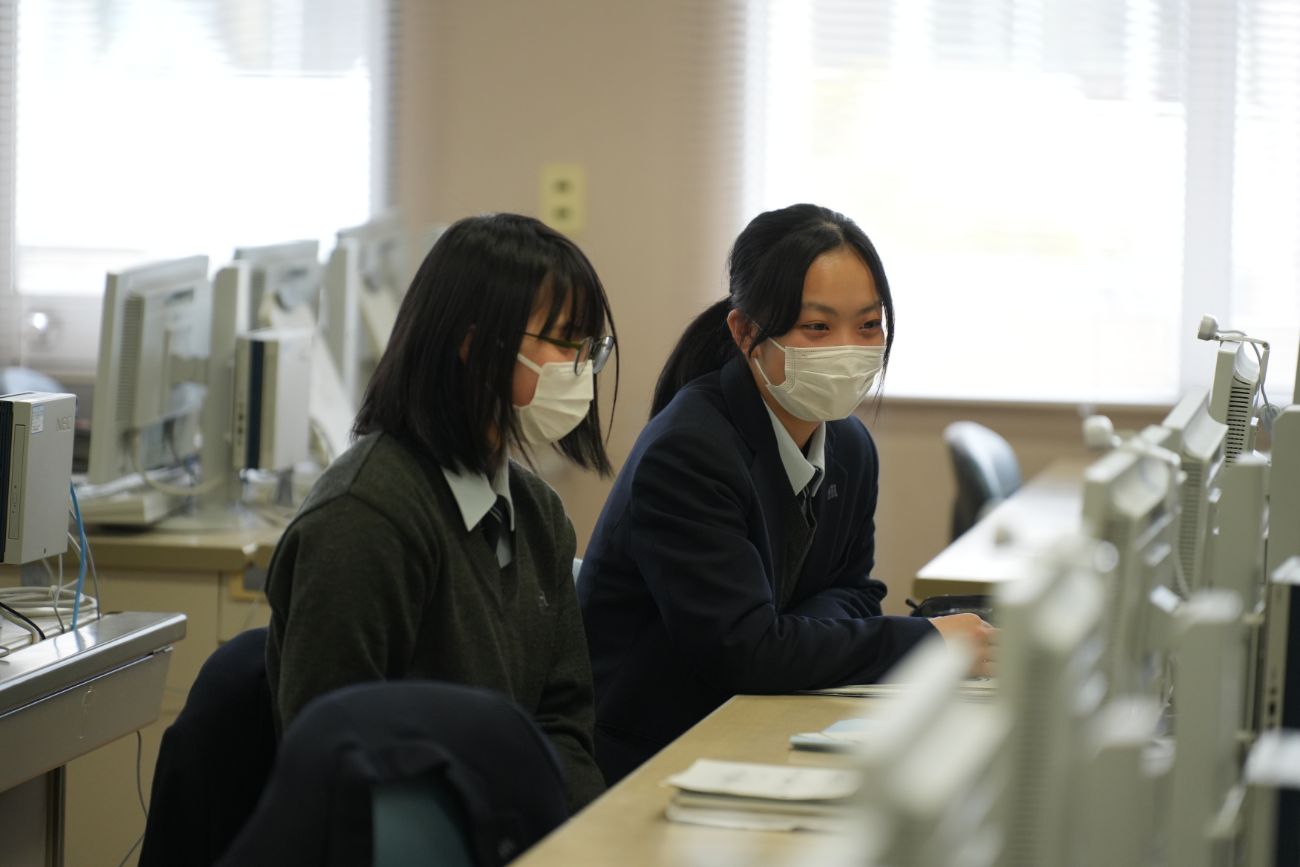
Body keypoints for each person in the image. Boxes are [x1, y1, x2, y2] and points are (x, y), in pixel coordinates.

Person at [577, 203, 994, 784]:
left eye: (869, 325)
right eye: (817, 327)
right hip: (658, 754)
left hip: (768, 717)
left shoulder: (850, 446)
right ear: (746, 331)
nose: (849, 348)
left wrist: (792, 634)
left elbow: (854, 591)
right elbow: (745, 651)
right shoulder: (689, 451)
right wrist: (924, 642)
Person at [263, 213, 618, 812]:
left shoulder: (536, 514)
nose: (579, 366)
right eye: (563, 342)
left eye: (590, 348)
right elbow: (333, 765)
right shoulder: (364, 519)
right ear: (475, 345)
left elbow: (564, 725)